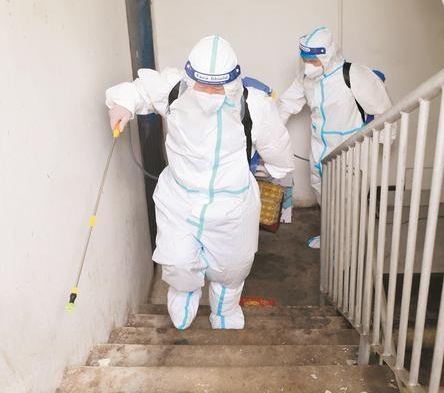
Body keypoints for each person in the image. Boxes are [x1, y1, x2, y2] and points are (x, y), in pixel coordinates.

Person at [106, 35, 293, 330]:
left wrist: (278, 168)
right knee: (177, 259)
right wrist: (123, 105)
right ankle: (185, 291)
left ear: (232, 82)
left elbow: (276, 143)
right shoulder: (174, 91)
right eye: (202, 85)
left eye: (217, 87)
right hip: (181, 198)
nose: (208, 93)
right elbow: (141, 89)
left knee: (232, 266)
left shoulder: (254, 105)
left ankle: (225, 309)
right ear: (190, 76)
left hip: (232, 203)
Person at [276, 26, 392, 246]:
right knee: (324, 197)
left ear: (327, 56)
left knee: (349, 203)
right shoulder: (306, 78)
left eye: (313, 60)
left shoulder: (353, 74)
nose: (308, 65)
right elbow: (287, 104)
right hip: (319, 149)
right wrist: (269, 133)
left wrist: (384, 144)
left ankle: (348, 251)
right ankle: (331, 238)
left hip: (349, 151)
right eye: (305, 60)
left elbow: (384, 110)